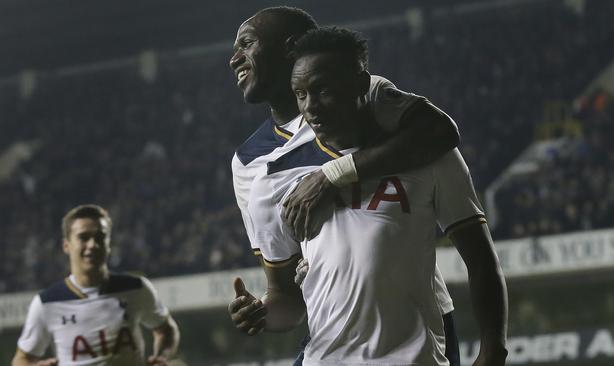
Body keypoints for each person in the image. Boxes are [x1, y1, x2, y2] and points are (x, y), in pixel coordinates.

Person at [236, 27, 508, 365]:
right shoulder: (272, 181)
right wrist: (260, 313)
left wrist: (493, 348)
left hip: (413, 357)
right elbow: (286, 301)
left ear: (362, 83)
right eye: (301, 94)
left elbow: (481, 260)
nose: (311, 107)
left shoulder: (426, 154)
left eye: (323, 90)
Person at [12, 204, 180, 366]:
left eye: (100, 237)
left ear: (109, 244)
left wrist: (161, 357)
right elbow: (21, 359)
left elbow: (166, 329)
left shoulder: (136, 288)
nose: (92, 245)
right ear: (66, 245)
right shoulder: (46, 303)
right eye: (83, 237)